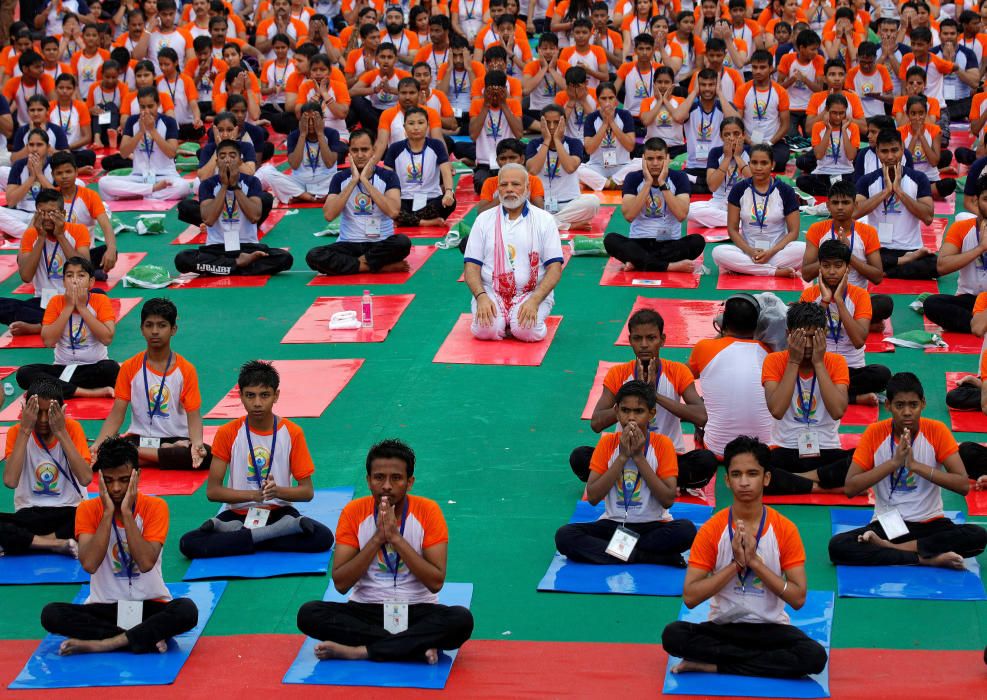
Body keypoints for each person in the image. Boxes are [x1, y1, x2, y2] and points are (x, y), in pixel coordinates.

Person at [661, 435, 829, 680]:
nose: (744, 482)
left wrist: (755, 563)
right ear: (727, 481)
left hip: (770, 630)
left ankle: (717, 665)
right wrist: (736, 565)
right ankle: (755, 664)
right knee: (673, 635)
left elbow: (798, 598)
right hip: (724, 628)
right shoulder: (712, 529)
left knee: (813, 657)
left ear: (766, 478)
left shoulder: (785, 529)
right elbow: (690, 597)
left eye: (752, 474)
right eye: (737, 475)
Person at [296, 439, 474, 664]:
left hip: (418, 610)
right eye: (379, 477)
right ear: (368, 481)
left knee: (461, 620)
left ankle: (362, 651)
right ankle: (413, 647)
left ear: (410, 482)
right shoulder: (354, 512)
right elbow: (341, 584)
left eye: (396, 478)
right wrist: (378, 538)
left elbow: (435, 581)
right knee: (309, 614)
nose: (387, 486)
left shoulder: (428, 511)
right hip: (366, 610)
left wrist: (395, 538)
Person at [39, 437, 199, 655]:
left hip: (149, 605)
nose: (116, 488)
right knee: (51, 614)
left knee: (187, 610)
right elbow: (89, 564)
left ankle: (106, 643)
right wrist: (107, 514)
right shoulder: (87, 510)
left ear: (137, 476)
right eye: (109, 480)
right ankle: (143, 637)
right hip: (105, 606)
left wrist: (126, 513)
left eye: (124, 480)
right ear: (100, 479)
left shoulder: (155, 507)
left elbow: (145, 562)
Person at [179, 361, 334, 560]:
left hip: (280, 513)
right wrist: (253, 495)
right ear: (240, 396)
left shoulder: (292, 433)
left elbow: (307, 491)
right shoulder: (228, 432)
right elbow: (213, 491)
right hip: (239, 515)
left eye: (265, 395)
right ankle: (271, 534)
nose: (257, 403)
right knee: (188, 543)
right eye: (250, 395)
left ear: (276, 396)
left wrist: (277, 492)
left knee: (323, 538)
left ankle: (238, 537)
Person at [829, 372, 987, 568]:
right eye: (899, 405)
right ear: (888, 406)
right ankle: (924, 558)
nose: (907, 412)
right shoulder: (874, 433)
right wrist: (894, 463)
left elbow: (963, 485)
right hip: (888, 524)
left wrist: (916, 466)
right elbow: (851, 488)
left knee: (978, 536)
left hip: (931, 524)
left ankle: (892, 549)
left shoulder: (936, 431)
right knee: (838, 546)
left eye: (913, 405)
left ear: (923, 404)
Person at [572, 309, 717, 489]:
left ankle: (633, 479)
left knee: (706, 461)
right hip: (624, 454)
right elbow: (596, 423)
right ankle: (655, 481)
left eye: (651, 338)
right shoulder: (618, 373)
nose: (644, 345)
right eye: (637, 339)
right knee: (580, 457)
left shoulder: (678, 371)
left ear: (662, 340)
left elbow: (701, 416)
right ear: (630, 340)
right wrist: (635, 394)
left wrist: (652, 394)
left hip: (667, 458)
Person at [556, 380, 697, 565]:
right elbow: (593, 497)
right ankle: (647, 556)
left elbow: (668, 499)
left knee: (686, 530)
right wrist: (622, 457)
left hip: (653, 526)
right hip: (613, 525)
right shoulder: (607, 444)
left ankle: (617, 553)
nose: (631, 418)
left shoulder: (662, 444)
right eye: (625, 410)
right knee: (565, 536)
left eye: (638, 411)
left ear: (651, 414)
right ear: (617, 412)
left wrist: (638, 457)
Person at [91, 298, 210, 472]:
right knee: (102, 456)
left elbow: (194, 416)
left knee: (206, 455)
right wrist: (97, 446)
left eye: (162, 325)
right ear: (142, 329)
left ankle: (137, 457)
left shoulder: (186, 370)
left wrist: (197, 445)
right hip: (140, 439)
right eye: (149, 325)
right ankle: (152, 456)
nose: (155, 331)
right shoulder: (130, 367)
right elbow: (117, 414)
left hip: (176, 440)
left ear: (173, 329)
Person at [760, 302, 854, 495]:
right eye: (802, 338)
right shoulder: (774, 360)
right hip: (786, 449)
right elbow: (777, 410)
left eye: (814, 337)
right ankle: (823, 486)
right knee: (755, 467)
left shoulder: (836, 362)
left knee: (864, 459)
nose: (809, 345)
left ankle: (799, 481)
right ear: (788, 335)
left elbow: (837, 411)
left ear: (825, 333)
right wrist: (793, 361)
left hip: (826, 449)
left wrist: (819, 363)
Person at [464, 163, 563, 342]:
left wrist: (535, 301)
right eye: (504, 185)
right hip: (491, 291)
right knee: (485, 331)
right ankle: (502, 321)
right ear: (498, 189)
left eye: (516, 184)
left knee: (527, 332)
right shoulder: (483, 220)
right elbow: (471, 266)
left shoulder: (545, 220)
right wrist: (481, 297)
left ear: (527, 188)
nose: (509, 189)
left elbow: (555, 268)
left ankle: (517, 320)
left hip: (532, 292)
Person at [0, 378, 91, 559]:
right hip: (30, 513)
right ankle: (55, 544)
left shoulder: (71, 429)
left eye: (49, 413)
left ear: (61, 411)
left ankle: (29, 543)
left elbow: (85, 478)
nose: (42, 420)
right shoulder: (17, 432)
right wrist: (25, 430)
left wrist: (61, 432)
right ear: (26, 410)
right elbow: (10, 481)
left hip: (69, 511)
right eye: (37, 412)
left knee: (98, 513)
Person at [175, 140, 294, 277]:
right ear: (217, 161)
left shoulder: (251, 181)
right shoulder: (208, 184)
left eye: (232, 156)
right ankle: (238, 264)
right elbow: (208, 219)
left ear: (240, 160)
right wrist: (224, 186)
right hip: (217, 247)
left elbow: (254, 216)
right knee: (183, 259)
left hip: (247, 246)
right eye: (223, 156)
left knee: (284, 258)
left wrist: (235, 186)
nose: (227, 160)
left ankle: (222, 267)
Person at [800, 240, 891, 405]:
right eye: (826, 266)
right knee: (796, 372)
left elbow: (858, 341)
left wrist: (839, 302)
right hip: (820, 365)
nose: (832, 272)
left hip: (852, 368)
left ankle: (828, 393)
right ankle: (852, 398)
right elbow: (805, 338)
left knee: (882, 374)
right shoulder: (810, 295)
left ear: (847, 268)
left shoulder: (860, 295)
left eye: (838, 266)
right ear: (819, 267)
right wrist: (825, 302)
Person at [307, 129, 409, 277]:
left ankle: (353, 263)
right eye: (355, 150)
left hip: (380, 244)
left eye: (365, 150)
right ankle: (375, 267)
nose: (360, 155)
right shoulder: (340, 178)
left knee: (402, 243)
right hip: (349, 243)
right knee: (314, 255)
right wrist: (353, 181)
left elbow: (393, 211)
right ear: (349, 152)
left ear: (373, 151)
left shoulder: (388, 176)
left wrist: (365, 181)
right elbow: (329, 215)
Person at [16, 256, 119, 399]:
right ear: (64, 281)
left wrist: (82, 308)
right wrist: (69, 307)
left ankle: (52, 388)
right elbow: (48, 341)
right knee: (24, 373)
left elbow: (107, 338)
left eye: (81, 275)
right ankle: (88, 392)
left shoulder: (100, 300)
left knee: (112, 369)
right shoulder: (56, 302)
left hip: (93, 368)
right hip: (62, 368)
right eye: (69, 276)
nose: (75, 280)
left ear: (91, 282)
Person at [688, 295, 773, 457]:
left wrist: (722, 334)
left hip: (718, 449)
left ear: (723, 322)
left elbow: (685, 376)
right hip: (765, 449)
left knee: (702, 399)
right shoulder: (769, 351)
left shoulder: (705, 347)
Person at [802, 180, 891, 332]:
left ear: (855, 205)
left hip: (855, 300)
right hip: (824, 299)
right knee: (801, 308)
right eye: (835, 203)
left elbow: (877, 277)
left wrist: (847, 254)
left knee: (885, 303)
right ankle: (862, 324)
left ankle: (847, 322)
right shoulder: (817, 230)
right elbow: (806, 274)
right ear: (828, 206)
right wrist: (831, 254)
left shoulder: (868, 232)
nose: (840, 207)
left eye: (845, 202)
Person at [604, 136, 702, 273]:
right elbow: (629, 215)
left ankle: (640, 262)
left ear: (667, 158)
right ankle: (668, 266)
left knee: (697, 241)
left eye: (660, 158)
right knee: (610, 240)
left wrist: (662, 183)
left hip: (669, 243)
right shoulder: (633, 178)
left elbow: (681, 215)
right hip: (639, 242)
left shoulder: (679, 178)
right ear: (643, 160)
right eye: (650, 159)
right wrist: (648, 183)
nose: (655, 163)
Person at [0, 189, 90, 336]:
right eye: (42, 213)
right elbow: (26, 276)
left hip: (73, 300)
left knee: (98, 298)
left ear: (63, 214)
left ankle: (39, 326)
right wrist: (40, 238)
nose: (47, 218)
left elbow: (84, 271)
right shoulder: (31, 234)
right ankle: (57, 324)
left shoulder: (78, 230)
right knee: (5, 306)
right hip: (43, 303)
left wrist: (60, 236)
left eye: (52, 213)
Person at [855, 129, 937, 280]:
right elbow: (855, 213)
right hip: (878, 250)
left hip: (910, 248)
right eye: (884, 151)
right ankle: (900, 265)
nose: (890, 156)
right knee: (853, 254)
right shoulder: (867, 180)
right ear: (877, 152)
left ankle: (885, 271)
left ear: (903, 150)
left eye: (894, 150)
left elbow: (928, 217)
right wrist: (885, 192)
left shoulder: (919, 178)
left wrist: (899, 191)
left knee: (934, 264)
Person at [713, 143, 805, 278]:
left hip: (777, 252)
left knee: (804, 249)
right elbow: (732, 229)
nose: (758, 167)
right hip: (747, 252)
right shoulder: (739, 189)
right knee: (718, 252)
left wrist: (770, 252)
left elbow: (793, 232)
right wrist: (750, 251)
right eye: (754, 163)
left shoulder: (786, 191)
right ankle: (773, 272)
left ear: (772, 164)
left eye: (764, 163)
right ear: (749, 164)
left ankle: (750, 269)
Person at [98, 88, 189, 202]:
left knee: (183, 187)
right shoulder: (132, 121)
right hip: (138, 176)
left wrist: (152, 131)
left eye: (150, 106)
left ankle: (137, 195)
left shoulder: (169, 121)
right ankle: (151, 192)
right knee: (104, 183)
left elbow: (171, 153)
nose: (146, 111)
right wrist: (140, 132)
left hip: (165, 176)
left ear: (158, 104)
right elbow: (124, 153)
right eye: (142, 107)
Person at [926, 178, 987, 334]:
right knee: (932, 304)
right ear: (976, 201)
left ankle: (976, 325)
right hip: (969, 299)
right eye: (986, 199)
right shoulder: (962, 228)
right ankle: (978, 325)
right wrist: (980, 248)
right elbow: (942, 266)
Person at [524, 105, 600, 230]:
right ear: (542, 125)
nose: (552, 127)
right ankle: (566, 225)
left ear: (563, 123)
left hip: (569, 204)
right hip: (541, 204)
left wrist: (557, 141)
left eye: (556, 123)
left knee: (593, 202)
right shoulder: (534, 144)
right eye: (548, 123)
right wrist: (547, 140)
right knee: (523, 205)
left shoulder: (574, 143)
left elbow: (570, 167)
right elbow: (533, 170)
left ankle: (548, 223)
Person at [254, 102, 342, 205]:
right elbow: (294, 165)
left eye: (314, 120)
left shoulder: (332, 134)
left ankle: (299, 196)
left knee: (348, 178)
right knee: (266, 171)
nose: (310, 124)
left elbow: (330, 162)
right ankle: (310, 198)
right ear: (300, 121)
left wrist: (320, 133)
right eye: (306, 120)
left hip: (326, 183)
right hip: (299, 183)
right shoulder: (294, 136)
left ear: (322, 119)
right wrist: (303, 135)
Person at [382, 107, 456, 228]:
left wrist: (448, 191)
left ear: (428, 125)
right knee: (385, 204)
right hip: (403, 200)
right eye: (411, 123)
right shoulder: (395, 148)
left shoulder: (436, 145)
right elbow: (386, 177)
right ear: (404, 126)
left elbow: (446, 171)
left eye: (421, 123)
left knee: (450, 202)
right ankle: (424, 222)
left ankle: (405, 220)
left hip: (431, 198)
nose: (416, 127)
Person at [672, 68, 741, 194]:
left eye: (711, 85)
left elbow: (736, 121)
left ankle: (702, 184)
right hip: (694, 166)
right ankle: (705, 185)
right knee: (675, 180)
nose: (707, 89)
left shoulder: (724, 106)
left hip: (718, 166)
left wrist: (720, 93)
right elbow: (677, 117)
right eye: (703, 85)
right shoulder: (691, 107)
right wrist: (694, 92)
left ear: (717, 85)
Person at [49, 152, 117, 274]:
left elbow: (106, 226)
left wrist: (111, 249)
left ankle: (85, 271)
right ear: (52, 175)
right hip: (56, 252)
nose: (64, 176)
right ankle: (88, 273)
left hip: (84, 254)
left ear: (76, 172)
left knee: (108, 251)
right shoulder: (50, 198)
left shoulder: (89, 196)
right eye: (59, 173)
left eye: (68, 172)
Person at [688, 117, 750, 229]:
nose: (732, 138)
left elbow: (755, 182)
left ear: (743, 135)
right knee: (689, 211)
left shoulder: (751, 151)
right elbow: (712, 186)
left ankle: (726, 220)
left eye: (736, 134)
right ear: (721, 137)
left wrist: (737, 157)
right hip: (720, 202)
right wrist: (727, 158)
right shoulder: (716, 152)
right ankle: (739, 223)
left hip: (746, 201)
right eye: (727, 135)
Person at [734, 50, 791, 172]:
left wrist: (769, 143)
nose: (758, 71)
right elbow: (737, 123)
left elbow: (785, 125)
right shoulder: (742, 90)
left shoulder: (781, 92)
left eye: (762, 67)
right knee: (734, 155)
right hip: (748, 142)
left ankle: (755, 164)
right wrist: (748, 141)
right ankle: (762, 163)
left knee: (780, 160)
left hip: (773, 143)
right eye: (754, 67)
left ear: (771, 68)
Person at [469, 70, 525, 195]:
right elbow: (473, 135)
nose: (495, 95)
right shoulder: (477, 104)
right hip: (485, 163)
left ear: (505, 89)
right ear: (484, 90)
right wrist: (486, 105)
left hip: (509, 161)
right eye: (490, 91)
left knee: (516, 184)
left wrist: (504, 104)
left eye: (499, 91)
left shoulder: (513, 104)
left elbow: (519, 134)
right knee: (481, 184)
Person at [796, 93, 859, 196]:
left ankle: (833, 192)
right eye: (834, 113)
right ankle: (837, 192)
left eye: (842, 113)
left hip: (846, 172)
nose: (838, 117)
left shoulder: (852, 127)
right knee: (801, 181)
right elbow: (819, 156)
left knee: (858, 182)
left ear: (846, 112)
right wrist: (828, 130)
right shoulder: (818, 126)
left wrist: (844, 130)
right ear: (827, 110)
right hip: (823, 171)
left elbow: (851, 156)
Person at [581, 82, 639, 190]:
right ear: (598, 100)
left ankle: (604, 182)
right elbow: (588, 149)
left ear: (616, 99)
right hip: (598, 167)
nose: (608, 103)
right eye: (603, 98)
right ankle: (611, 184)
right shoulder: (591, 118)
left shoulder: (625, 115)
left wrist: (612, 122)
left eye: (611, 98)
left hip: (621, 166)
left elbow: (630, 147)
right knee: (577, 169)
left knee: (642, 163)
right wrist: (604, 124)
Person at [898, 96, 956, 200]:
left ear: (926, 113)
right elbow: (904, 162)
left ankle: (917, 192)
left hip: (930, 178)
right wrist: (915, 137)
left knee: (949, 184)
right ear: (908, 115)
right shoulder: (900, 132)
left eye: (921, 113)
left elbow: (934, 162)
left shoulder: (935, 130)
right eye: (913, 114)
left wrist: (921, 136)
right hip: (909, 178)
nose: (917, 117)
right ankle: (922, 192)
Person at [476, 139, 546, 214]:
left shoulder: (534, 180)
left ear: (522, 159)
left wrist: (520, 196)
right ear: (497, 161)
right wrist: (503, 195)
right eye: (503, 158)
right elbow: (481, 213)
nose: (507, 162)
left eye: (512, 158)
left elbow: (540, 210)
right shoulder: (490, 182)